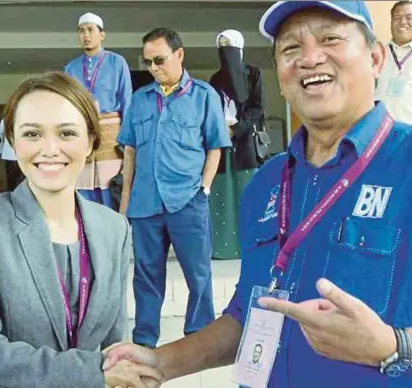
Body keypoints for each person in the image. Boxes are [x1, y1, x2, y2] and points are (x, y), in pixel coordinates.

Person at [103, 2, 412, 388]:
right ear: (280, 76)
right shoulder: (267, 182)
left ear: (376, 57)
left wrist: (393, 345)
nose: (309, 58)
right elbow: (246, 315)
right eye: (290, 49)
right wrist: (160, 362)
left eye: (330, 38)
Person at [0, 72, 161, 388]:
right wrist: (91, 372)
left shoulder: (114, 229)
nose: (49, 149)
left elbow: (114, 343)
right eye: (32, 134)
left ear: (90, 142)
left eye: (67, 133)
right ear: (14, 143)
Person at [117, 27, 232, 349]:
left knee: (198, 275)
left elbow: (215, 146)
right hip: (145, 203)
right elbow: (130, 150)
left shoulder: (204, 95)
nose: (153, 67)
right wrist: (125, 199)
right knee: (146, 278)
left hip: (188, 200)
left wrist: (204, 188)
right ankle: (144, 341)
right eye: (148, 62)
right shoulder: (139, 100)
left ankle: (199, 338)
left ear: (179, 55)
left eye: (159, 60)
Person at [65, 12, 132, 208]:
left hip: (112, 135)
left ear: (101, 35)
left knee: (111, 189)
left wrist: (127, 140)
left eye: (90, 30)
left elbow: (127, 100)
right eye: (81, 31)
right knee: (84, 193)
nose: (86, 35)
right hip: (83, 133)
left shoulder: (117, 62)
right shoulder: (71, 68)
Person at [209, 29, 265, 260]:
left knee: (246, 191)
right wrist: (221, 130)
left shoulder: (253, 74)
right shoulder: (215, 79)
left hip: (244, 145)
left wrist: (237, 128)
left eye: (229, 46)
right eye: (222, 48)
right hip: (222, 145)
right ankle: (224, 247)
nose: (227, 53)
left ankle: (250, 245)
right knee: (222, 193)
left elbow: (256, 108)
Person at [375, 1, 412, 125]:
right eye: (397, 17)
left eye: (409, 17)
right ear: (391, 23)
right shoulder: (376, 54)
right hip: (377, 132)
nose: (403, 22)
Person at [0, 119, 24, 191]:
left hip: (16, 155)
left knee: (17, 179)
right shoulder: (7, 119)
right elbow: (0, 129)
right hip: (11, 156)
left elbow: (0, 130)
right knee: (13, 179)